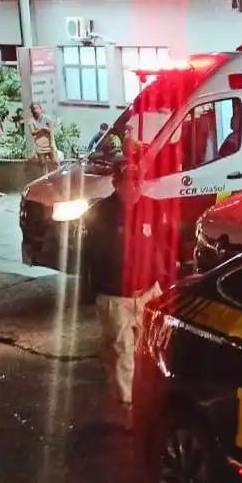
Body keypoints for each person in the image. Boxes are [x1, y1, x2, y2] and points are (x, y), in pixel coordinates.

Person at [82, 161, 179, 426]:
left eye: (138, 182)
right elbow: (89, 256)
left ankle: (145, 399)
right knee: (123, 352)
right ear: (116, 184)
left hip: (149, 294)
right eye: (128, 183)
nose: (134, 188)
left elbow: (164, 244)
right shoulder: (100, 213)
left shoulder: (153, 207)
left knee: (149, 350)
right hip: (116, 298)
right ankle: (127, 408)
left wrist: (166, 279)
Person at [27, 103, 60, 174]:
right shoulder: (31, 121)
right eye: (34, 109)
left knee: (55, 162)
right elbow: (33, 132)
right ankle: (45, 178)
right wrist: (42, 129)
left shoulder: (47, 118)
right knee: (43, 163)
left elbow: (50, 130)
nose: (36, 110)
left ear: (40, 109)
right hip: (40, 145)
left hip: (49, 144)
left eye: (37, 108)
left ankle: (58, 176)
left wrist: (52, 144)